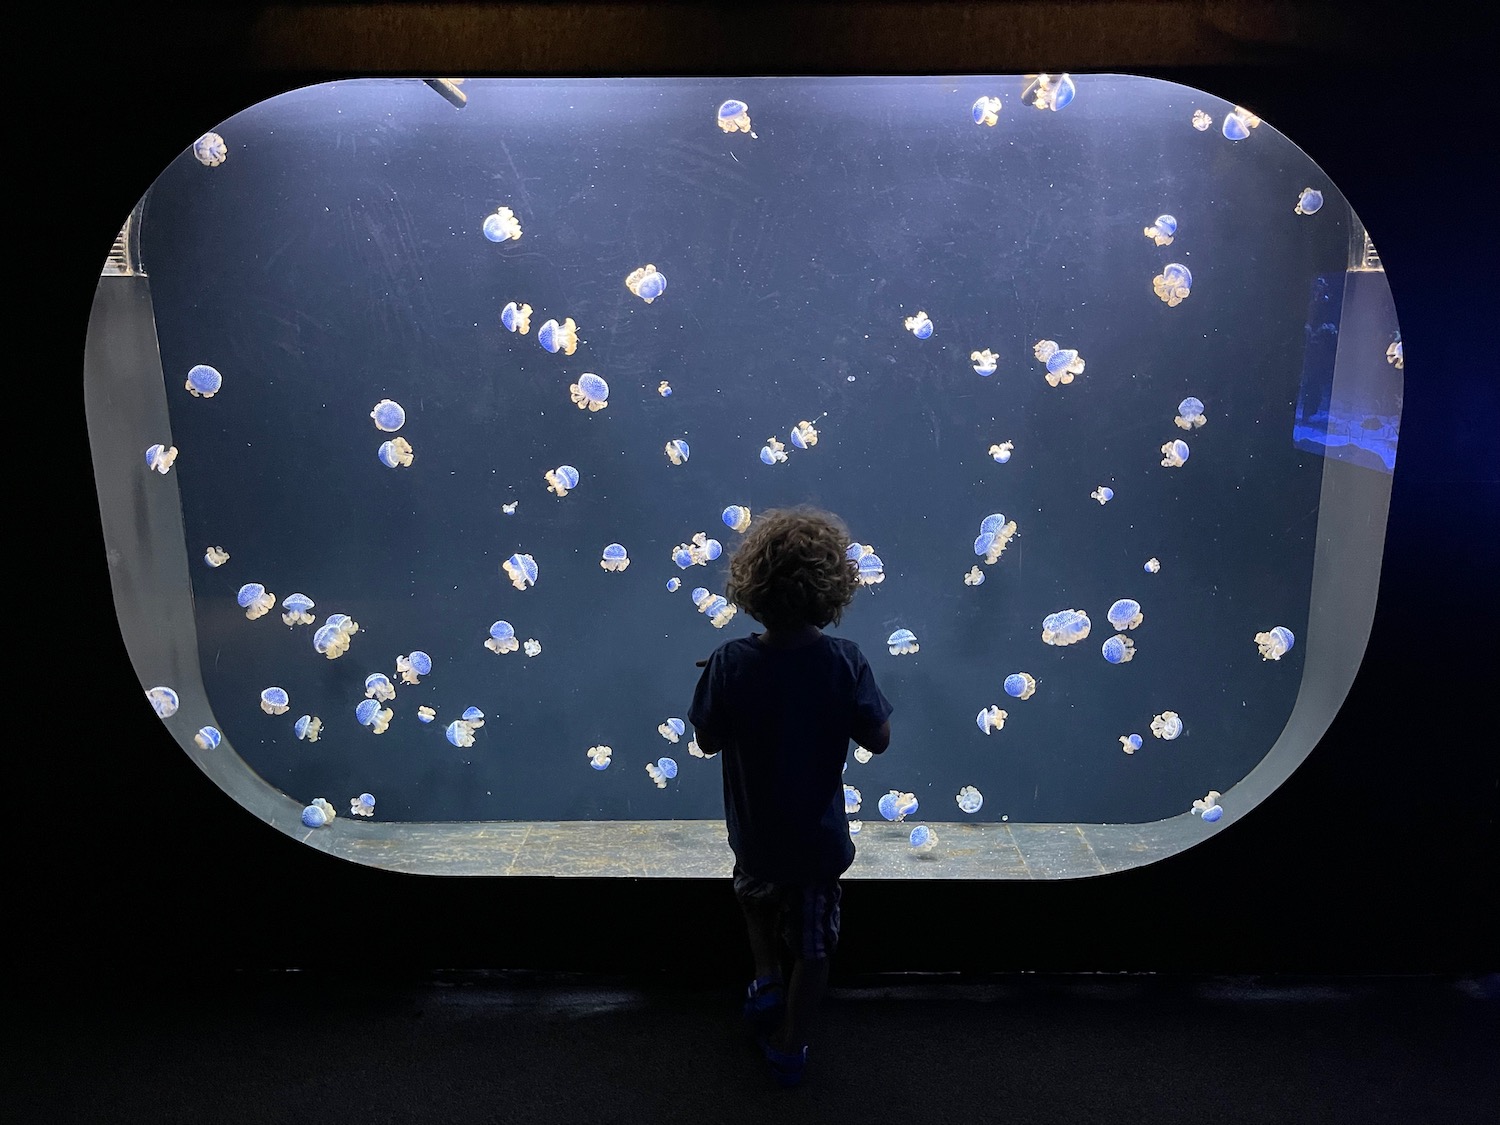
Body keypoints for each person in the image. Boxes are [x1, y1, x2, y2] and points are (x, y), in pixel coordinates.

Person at [687, 507, 893, 1087]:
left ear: (749, 584)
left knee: (754, 899)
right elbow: (877, 740)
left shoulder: (729, 663)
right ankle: (790, 1042)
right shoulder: (845, 662)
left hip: (755, 835)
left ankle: (764, 977)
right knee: (814, 943)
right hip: (818, 843)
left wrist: (725, 685)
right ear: (835, 591)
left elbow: (706, 740)